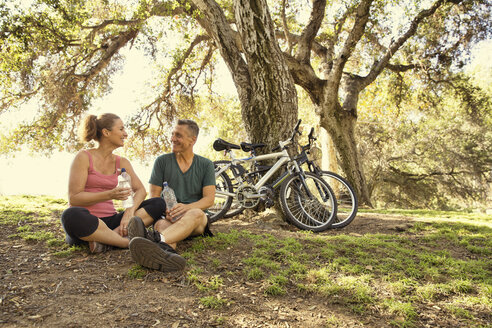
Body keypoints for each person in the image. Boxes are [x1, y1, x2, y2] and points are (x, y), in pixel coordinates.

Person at [61, 113, 166, 253]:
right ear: (106, 132)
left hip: (112, 222)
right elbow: (74, 198)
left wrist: (129, 213)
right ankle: (124, 242)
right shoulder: (84, 157)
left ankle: (107, 241)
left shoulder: (121, 162)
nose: (126, 134)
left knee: (158, 203)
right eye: (121, 129)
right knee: (70, 214)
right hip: (88, 224)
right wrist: (110, 194)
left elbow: (141, 190)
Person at [127, 119, 215, 272]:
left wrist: (186, 208)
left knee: (195, 213)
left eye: (178, 135)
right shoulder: (162, 162)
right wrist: (166, 212)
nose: (173, 139)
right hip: (169, 218)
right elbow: (154, 196)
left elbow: (209, 199)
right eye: (173, 134)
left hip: (196, 220)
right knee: (160, 225)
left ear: (192, 140)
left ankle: (154, 241)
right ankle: (163, 258)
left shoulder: (205, 164)